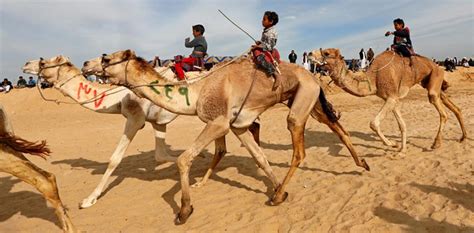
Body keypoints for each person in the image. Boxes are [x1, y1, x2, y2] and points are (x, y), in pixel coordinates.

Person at [252, 11, 281, 90]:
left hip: (269, 50)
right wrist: (259, 43)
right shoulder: (266, 30)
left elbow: (269, 46)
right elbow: (265, 42)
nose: (262, 21)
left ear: (270, 22)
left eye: (264, 19)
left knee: (257, 53)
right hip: (264, 48)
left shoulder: (271, 33)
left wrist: (258, 46)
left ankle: (275, 74)